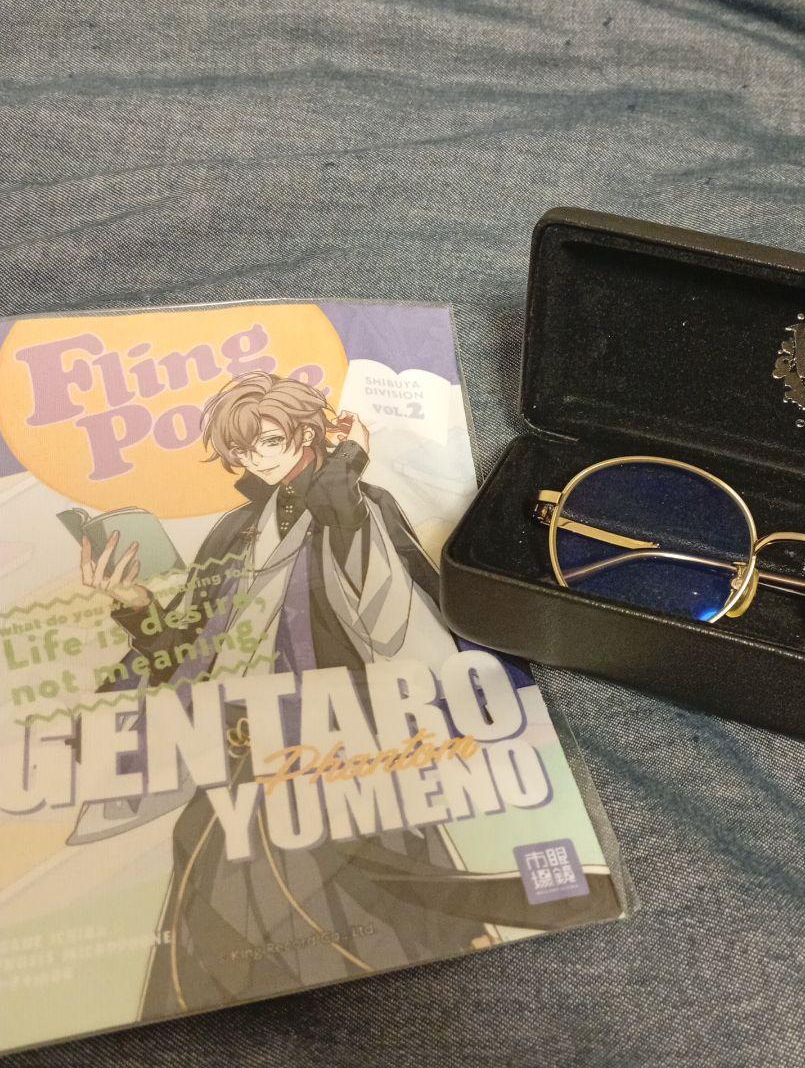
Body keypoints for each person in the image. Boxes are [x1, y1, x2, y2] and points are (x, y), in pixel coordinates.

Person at [73, 371, 617, 1019]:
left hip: (341, 745)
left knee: (374, 895)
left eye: (269, 441)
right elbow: (190, 656)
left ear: (308, 431)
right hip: (242, 754)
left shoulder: (358, 505)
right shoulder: (234, 531)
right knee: (214, 896)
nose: (256, 459)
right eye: (242, 450)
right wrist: (135, 605)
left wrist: (344, 479)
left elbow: (394, 617)